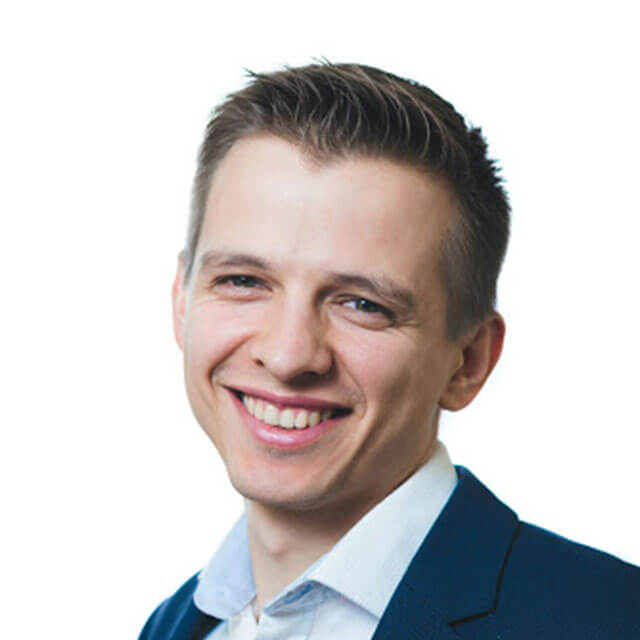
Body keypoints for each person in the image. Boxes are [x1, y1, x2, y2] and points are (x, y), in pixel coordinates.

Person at [139, 62, 639, 639]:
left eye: (363, 304)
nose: (287, 355)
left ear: (469, 361)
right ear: (182, 301)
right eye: (243, 281)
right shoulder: (175, 624)